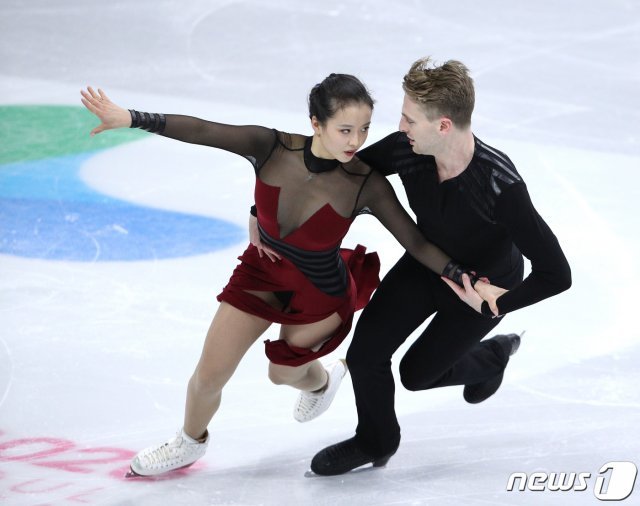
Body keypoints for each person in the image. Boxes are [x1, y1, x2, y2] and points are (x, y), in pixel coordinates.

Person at [80, 74, 501, 477]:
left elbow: (415, 241)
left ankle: (319, 384)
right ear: (316, 123)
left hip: (321, 292)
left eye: (365, 130)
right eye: (345, 129)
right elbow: (204, 130)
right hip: (261, 275)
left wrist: (462, 276)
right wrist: (133, 118)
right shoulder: (270, 147)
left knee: (280, 372)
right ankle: (190, 441)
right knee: (208, 375)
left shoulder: (364, 183)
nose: (356, 142)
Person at [308, 57, 572, 476]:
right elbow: (344, 171)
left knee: (417, 374)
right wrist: (268, 206)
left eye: (410, 120)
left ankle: (492, 356)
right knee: (365, 354)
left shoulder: (500, 184)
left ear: (443, 126)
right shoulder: (407, 151)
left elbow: (557, 273)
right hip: (428, 265)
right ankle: (377, 440)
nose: (401, 127)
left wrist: (499, 302)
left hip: (483, 287)